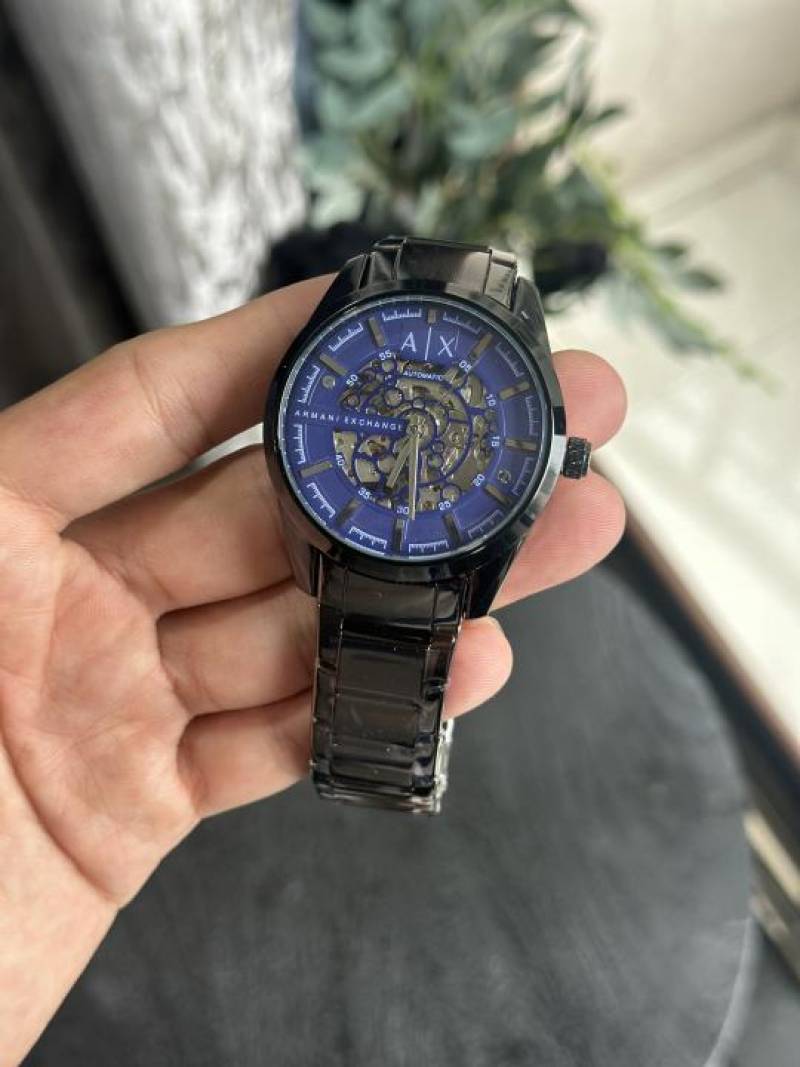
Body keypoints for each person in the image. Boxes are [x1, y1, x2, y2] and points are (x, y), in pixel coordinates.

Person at [0, 277, 626, 1065]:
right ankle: (376, 761)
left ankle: (383, 762)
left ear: (554, 458)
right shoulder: (334, 432)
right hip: (341, 526)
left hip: (389, 532)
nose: (416, 426)